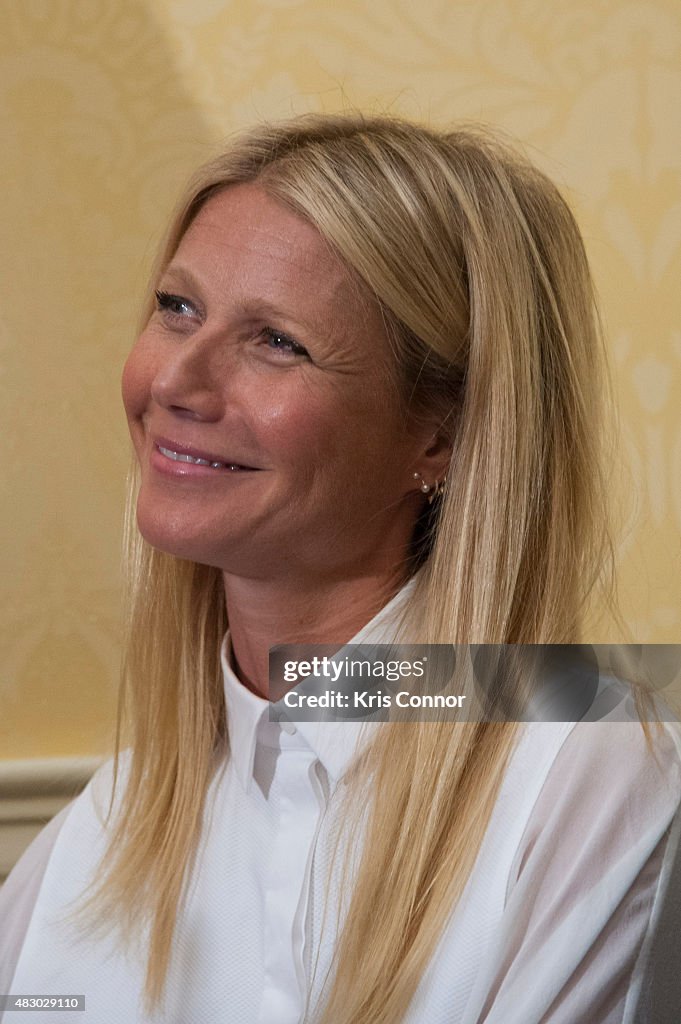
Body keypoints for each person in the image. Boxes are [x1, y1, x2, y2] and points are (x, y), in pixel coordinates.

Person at [1, 112, 680, 1024]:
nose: (176, 383)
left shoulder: (589, 768)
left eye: (276, 341)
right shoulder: (101, 827)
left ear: (439, 434)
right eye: (178, 309)